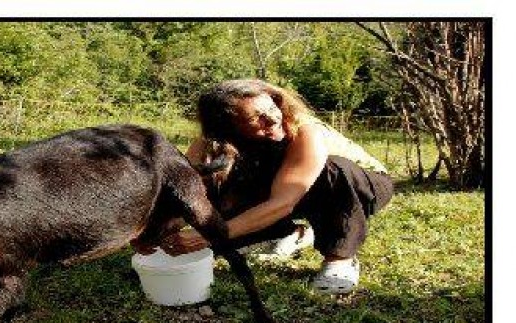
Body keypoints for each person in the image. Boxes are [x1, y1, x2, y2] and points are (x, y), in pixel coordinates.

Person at [159, 79, 394, 294]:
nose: (272, 119)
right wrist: (163, 226)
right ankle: (285, 234)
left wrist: (211, 235)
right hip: (288, 190)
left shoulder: (306, 130)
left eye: (272, 108)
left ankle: (340, 259)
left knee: (330, 169)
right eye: (256, 118)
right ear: (228, 126)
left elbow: (283, 202)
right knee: (221, 172)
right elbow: (187, 188)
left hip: (359, 186)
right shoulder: (213, 142)